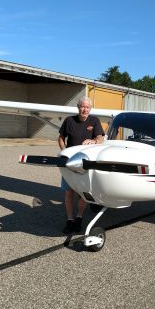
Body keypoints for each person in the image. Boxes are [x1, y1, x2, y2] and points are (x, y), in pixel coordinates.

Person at [58, 96, 104, 234]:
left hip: (86, 163)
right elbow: (61, 137)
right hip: (70, 162)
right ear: (78, 107)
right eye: (82, 106)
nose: (85, 109)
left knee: (84, 193)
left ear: (90, 109)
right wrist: (64, 151)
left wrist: (94, 141)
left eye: (87, 107)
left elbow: (100, 137)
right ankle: (70, 220)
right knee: (68, 192)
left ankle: (79, 218)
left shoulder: (94, 121)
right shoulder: (69, 121)